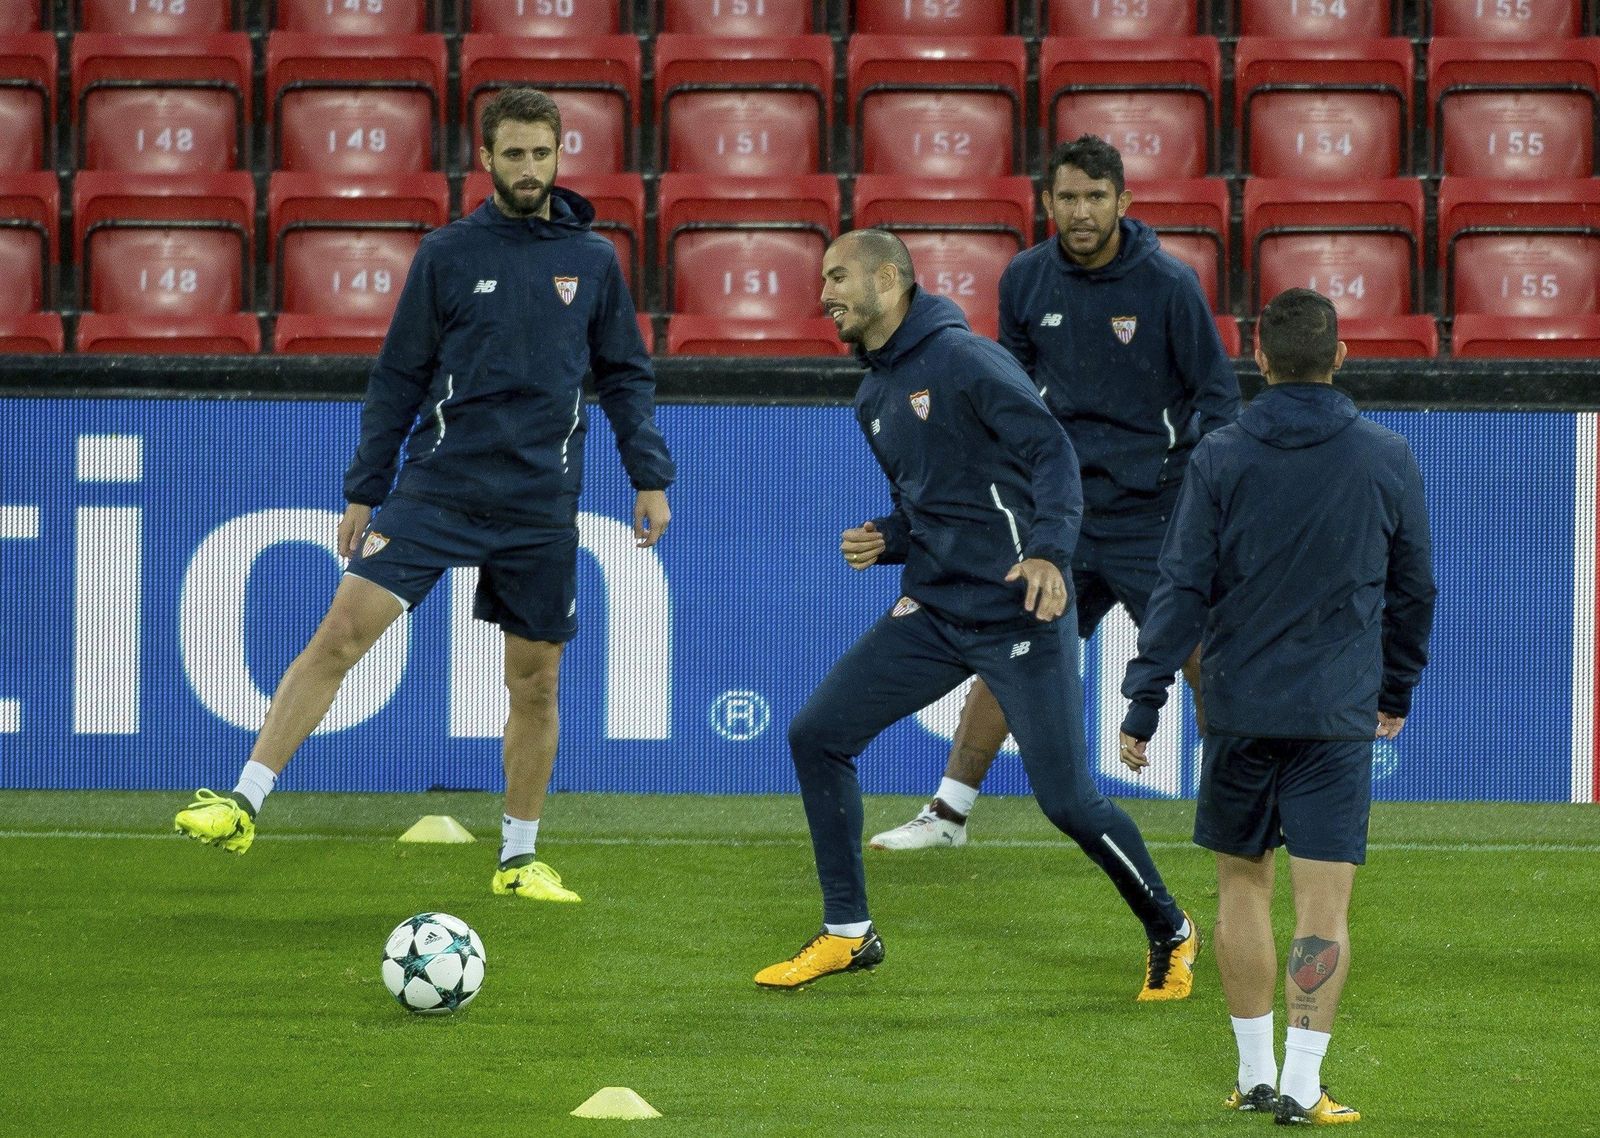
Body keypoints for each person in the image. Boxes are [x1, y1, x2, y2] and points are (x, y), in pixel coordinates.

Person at [174, 87, 675, 903]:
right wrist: (366, 491)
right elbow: (399, 378)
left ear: (558, 156)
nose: (526, 167)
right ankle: (242, 800)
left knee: (535, 683)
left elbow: (625, 374)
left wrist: (648, 476)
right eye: (512, 153)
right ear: (486, 158)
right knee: (339, 633)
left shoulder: (593, 262)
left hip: (541, 501)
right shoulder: (447, 254)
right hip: (438, 488)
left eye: (540, 153)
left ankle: (518, 859)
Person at [754, 228, 1198, 999]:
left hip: (1020, 611)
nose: (823, 293)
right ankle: (848, 933)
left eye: (838, 277)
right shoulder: (874, 394)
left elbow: (1052, 454)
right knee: (816, 734)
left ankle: (1172, 928)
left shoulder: (964, 358)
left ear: (889, 281)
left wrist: (1052, 555)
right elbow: (930, 502)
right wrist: (888, 538)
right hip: (935, 607)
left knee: (1067, 801)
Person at [1118, 289, 1436, 1124]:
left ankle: (1254, 1075)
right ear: (1340, 357)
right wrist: (1394, 688)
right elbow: (1415, 591)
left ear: (1259, 360)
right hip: (1335, 714)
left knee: (1242, 891)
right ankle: (1302, 1086)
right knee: (1323, 905)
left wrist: (1143, 700)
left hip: (1239, 710)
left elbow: (1179, 587)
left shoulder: (1220, 457)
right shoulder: (1387, 456)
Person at [870, 134, 1239, 851]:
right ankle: (947, 815)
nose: (1081, 211)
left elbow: (1218, 400)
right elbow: (1007, 396)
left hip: (1153, 510)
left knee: (1202, 654)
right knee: (1009, 646)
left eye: (1096, 197)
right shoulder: (1025, 280)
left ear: (1123, 203)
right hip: (1059, 513)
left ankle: (1243, 806)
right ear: (1047, 202)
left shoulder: (1169, 285)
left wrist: (1206, 501)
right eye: (1068, 197)